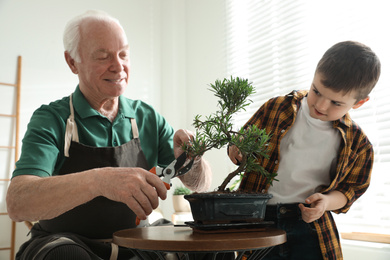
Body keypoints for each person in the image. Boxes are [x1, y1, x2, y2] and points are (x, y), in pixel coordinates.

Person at [6, 10, 212, 260]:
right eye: (103, 57)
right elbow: (18, 203)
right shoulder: (52, 119)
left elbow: (200, 185)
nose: (118, 66)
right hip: (68, 242)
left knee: (207, 247)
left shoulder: (147, 117)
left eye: (124, 54)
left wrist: (193, 160)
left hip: (138, 240)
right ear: (72, 62)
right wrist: (100, 181)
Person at [228, 41, 381, 260]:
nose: (321, 105)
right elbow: (241, 142)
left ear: (359, 103)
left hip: (311, 227)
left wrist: (326, 203)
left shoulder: (358, 144)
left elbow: (351, 190)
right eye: (316, 91)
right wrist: (237, 148)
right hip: (261, 220)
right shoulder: (277, 108)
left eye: (336, 103)